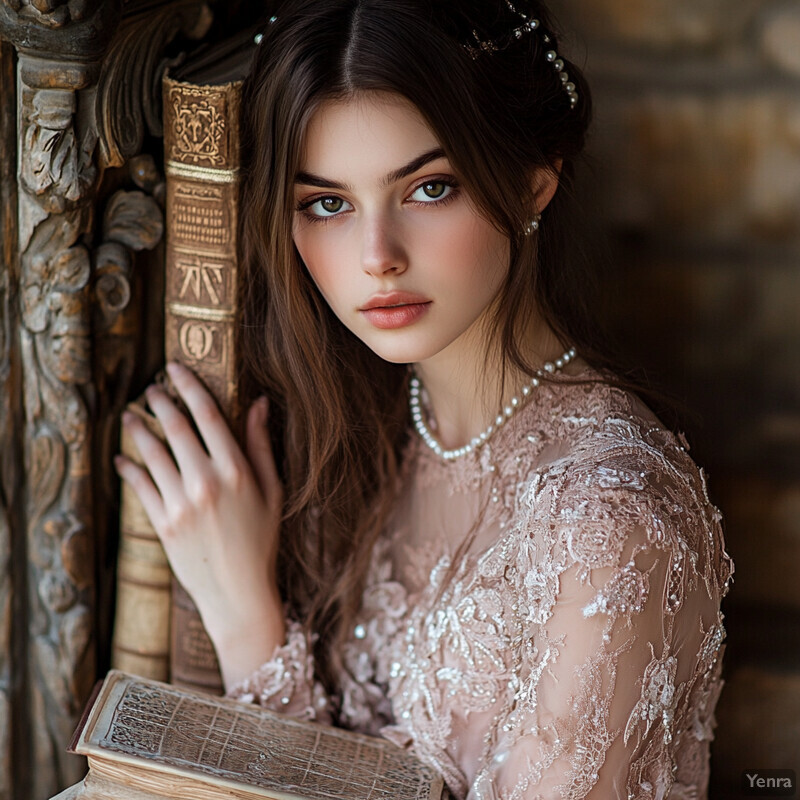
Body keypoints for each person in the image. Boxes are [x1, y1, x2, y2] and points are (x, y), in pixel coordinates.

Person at [113, 1, 735, 797]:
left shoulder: (611, 523)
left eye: (429, 188)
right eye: (327, 204)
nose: (378, 257)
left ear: (530, 181)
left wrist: (248, 629)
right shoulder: (371, 425)